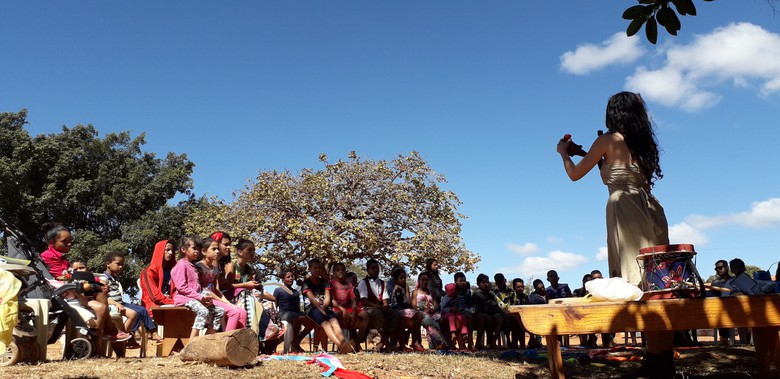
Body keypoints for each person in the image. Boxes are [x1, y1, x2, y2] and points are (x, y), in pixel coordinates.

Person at [557, 91, 673, 376]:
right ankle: (660, 359)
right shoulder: (643, 144)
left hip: (623, 206)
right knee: (656, 284)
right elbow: (618, 167)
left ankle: (656, 364)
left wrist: (564, 153)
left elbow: (574, 175)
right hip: (650, 207)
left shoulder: (606, 140)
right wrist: (588, 153)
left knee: (636, 282)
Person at [170, 235, 225, 339]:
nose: (197, 252)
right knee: (203, 311)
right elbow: (182, 287)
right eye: (194, 248)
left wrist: (203, 297)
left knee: (220, 311)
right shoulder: (181, 265)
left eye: (198, 249)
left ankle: (206, 340)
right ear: (184, 249)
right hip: (184, 299)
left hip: (195, 298)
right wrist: (200, 297)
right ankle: (191, 343)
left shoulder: (193, 265)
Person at [101, 251, 162, 346]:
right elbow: (103, 297)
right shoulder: (103, 279)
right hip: (113, 304)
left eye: (122, 265)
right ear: (108, 264)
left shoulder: (114, 278)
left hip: (121, 303)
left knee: (142, 310)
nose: (121, 267)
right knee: (136, 313)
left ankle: (152, 332)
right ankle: (127, 336)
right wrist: (116, 304)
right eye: (118, 264)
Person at [302, 259, 354, 354]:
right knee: (326, 323)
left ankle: (343, 342)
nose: (318, 270)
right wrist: (321, 310)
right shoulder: (306, 283)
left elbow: (327, 298)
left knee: (334, 321)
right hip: (312, 308)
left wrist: (325, 308)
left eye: (319, 268)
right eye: (315, 268)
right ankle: (341, 346)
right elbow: (313, 300)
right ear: (310, 269)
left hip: (325, 307)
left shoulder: (324, 282)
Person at [196, 237, 247, 331]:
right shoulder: (199, 267)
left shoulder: (215, 270)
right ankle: (227, 341)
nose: (217, 252)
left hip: (215, 297)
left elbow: (217, 290)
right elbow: (204, 290)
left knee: (242, 312)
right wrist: (223, 302)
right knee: (234, 312)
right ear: (204, 251)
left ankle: (239, 342)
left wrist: (227, 303)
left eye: (218, 249)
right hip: (205, 298)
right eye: (213, 249)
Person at [357, 259, 396, 352]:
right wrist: (380, 307)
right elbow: (365, 301)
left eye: (377, 268)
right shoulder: (363, 282)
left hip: (380, 307)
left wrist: (386, 307)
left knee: (395, 314)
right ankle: (387, 343)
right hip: (367, 308)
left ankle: (382, 342)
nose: (375, 270)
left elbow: (384, 299)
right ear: (368, 270)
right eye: (372, 268)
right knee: (376, 312)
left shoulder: (383, 283)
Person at [274, 268, 312, 353]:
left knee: (311, 321)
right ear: (283, 279)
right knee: (296, 317)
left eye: (292, 276)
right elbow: (275, 304)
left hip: (295, 313)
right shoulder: (278, 290)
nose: (291, 278)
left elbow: (298, 305)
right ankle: (294, 345)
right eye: (288, 277)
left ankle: (296, 341)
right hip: (283, 314)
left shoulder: (295, 292)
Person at [387, 267, 425, 351]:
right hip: (396, 309)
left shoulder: (405, 286)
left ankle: (414, 341)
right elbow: (399, 302)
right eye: (401, 278)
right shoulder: (396, 288)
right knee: (401, 317)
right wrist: (408, 307)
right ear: (396, 280)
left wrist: (412, 307)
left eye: (404, 277)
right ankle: (401, 343)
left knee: (419, 315)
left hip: (405, 308)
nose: (403, 280)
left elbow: (408, 301)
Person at [139, 240, 176, 318]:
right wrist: (174, 303)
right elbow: (155, 297)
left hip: (172, 307)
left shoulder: (173, 271)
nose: (171, 253)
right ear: (160, 251)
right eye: (167, 250)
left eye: (172, 250)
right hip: (154, 309)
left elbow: (176, 291)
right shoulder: (149, 271)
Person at [411, 272, 447, 350]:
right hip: (421, 313)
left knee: (441, 318)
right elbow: (414, 306)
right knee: (426, 318)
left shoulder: (431, 292)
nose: (424, 282)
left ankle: (441, 342)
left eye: (426, 280)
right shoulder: (415, 292)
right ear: (419, 281)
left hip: (432, 313)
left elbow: (436, 305)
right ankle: (440, 341)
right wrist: (423, 309)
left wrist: (433, 309)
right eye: (422, 280)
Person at [472, 273, 505, 349]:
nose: (486, 284)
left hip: (492, 312)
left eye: (487, 282)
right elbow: (476, 308)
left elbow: (496, 303)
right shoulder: (477, 294)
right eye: (483, 282)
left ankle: (493, 342)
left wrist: (492, 293)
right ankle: (478, 343)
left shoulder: (491, 293)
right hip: (481, 315)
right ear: (478, 284)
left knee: (500, 319)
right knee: (486, 318)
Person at [710, 260, 733, 346]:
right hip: (720, 309)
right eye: (716, 269)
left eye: (720, 268)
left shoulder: (733, 280)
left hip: (734, 307)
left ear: (727, 268)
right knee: (719, 312)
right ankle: (724, 338)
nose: (718, 270)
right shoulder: (715, 283)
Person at [440, 283, 468, 351]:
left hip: (456, 313)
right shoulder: (446, 298)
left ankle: (464, 333)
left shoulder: (457, 297)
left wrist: (459, 309)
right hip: (447, 314)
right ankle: (453, 332)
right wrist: (450, 309)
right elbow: (442, 309)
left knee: (462, 317)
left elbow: (460, 306)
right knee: (451, 317)